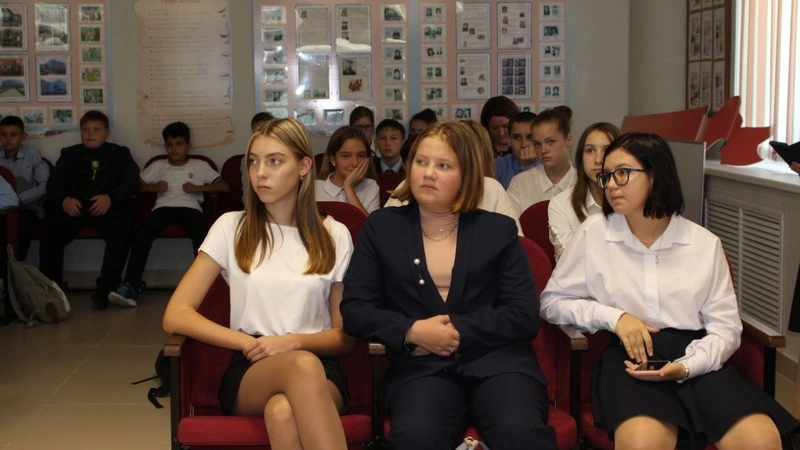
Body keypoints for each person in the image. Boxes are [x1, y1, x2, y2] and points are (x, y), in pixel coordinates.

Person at [541, 133, 799, 450]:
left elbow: (726, 328)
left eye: (622, 173)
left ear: (656, 174)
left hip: (698, 358)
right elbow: (552, 302)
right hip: (632, 362)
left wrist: (690, 365)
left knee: (761, 441)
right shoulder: (594, 234)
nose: (610, 185)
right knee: (643, 443)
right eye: (607, 175)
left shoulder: (703, 244)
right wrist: (615, 318)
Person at [341, 121, 556, 450]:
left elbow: (522, 314)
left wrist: (457, 331)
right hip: (421, 368)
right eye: (421, 162)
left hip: (500, 363)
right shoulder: (381, 227)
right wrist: (411, 331)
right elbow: (356, 309)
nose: (428, 173)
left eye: (443, 166)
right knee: (416, 437)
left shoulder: (497, 230)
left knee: (520, 433)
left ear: (467, 174)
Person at [163, 118, 354, 450]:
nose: (260, 173)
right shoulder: (230, 227)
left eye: (275, 161)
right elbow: (176, 314)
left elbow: (344, 337)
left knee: (282, 411)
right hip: (251, 365)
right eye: (253, 162)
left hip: (319, 364)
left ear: (304, 167)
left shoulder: (334, 234)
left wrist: (292, 342)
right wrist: (247, 342)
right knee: (300, 366)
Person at [108, 122, 229, 307]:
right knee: (141, 237)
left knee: (203, 242)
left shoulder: (199, 165)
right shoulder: (158, 165)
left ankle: (207, 290)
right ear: (165, 146)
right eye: (170, 144)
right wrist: (152, 187)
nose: (174, 149)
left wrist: (198, 188)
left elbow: (224, 186)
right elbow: (134, 186)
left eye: (179, 144)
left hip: (191, 209)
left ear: (188, 146)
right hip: (162, 209)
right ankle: (130, 287)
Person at [39, 110, 140, 309]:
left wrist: (111, 198)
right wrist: (65, 199)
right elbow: (53, 184)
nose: (90, 134)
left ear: (107, 132)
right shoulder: (69, 154)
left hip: (107, 207)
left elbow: (133, 183)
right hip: (75, 207)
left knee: (122, 229)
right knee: (51, 231)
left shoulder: (120, 153)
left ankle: (106, 289)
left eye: (96, 129)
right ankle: (52, 290)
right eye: (85, 129)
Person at [548, 122, 621, 260]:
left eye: (607, 150)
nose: (598, 160)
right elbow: (569, 262)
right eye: (590, 150)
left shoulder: (633, 200)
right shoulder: (561, 204)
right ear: (580, 157)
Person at [507, 106, 576, 216]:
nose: (543, 150)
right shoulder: (519, 184)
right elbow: (511, 224)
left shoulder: (584, 183)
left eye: (550, 142)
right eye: (537, 144)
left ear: (568, 140)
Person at [0, 115, 50, 260]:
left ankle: (16, 265)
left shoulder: (32, 153)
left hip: (27, 206)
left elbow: (46, 185)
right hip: (2, 207)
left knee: (23, 223)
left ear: (23, 136)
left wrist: (20, 199)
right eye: (3, 134)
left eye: (13, 134)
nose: (8, 139)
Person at [316, 126, 380, 215]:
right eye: (346, 156)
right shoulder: (315, 188)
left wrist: (348, 188)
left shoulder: (371, 186)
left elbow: (370, 224)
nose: (355, 163)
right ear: (333, 159)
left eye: (361, 155)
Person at [494, 111, 539, 189]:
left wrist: (527, 167)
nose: (524, 144)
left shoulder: (549, 164)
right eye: (517, 137)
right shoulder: (498, 166)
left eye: (530, 137)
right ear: (509, 140)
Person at [241, 112, 275, 205]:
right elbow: (247, 194)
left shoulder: (286, 157)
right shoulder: (247, 160)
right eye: (258, 133)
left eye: (267, 132)